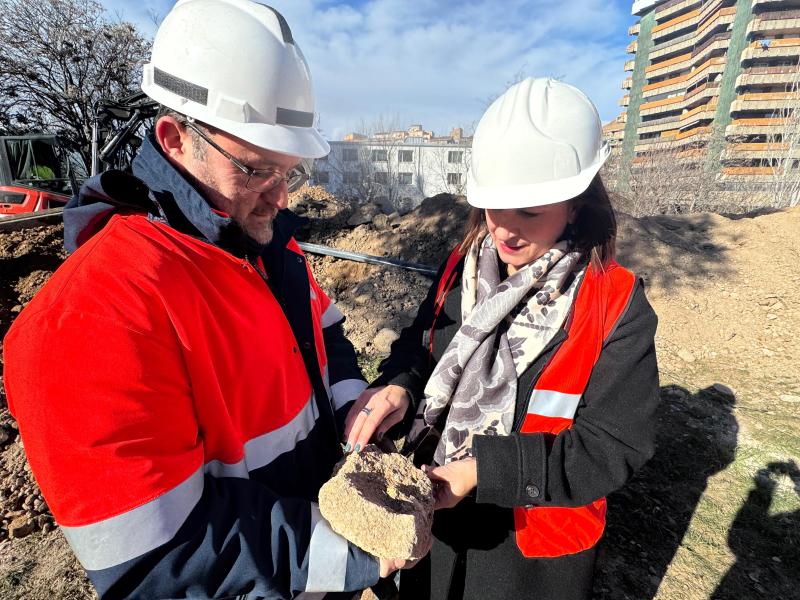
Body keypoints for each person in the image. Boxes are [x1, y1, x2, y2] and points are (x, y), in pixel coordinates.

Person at [2, 1, 408, 597]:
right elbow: (159, 562)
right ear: (174, 140)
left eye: (289, 172)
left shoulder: (265, 245)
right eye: (258, 170)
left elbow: (324, 333)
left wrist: (353, 409)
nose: (281, 197)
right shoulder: (92, 315)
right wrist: (350, 550)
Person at [344, 77, 660, 600]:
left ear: (575, 204)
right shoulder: (462, 268)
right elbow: (420, 348)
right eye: (495, 208)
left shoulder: (614, 304)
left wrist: (481, 471)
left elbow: (612, 445)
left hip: (525, 556)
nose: (504, 231)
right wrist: (400, 384)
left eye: (529, 213)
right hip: (433, 525)